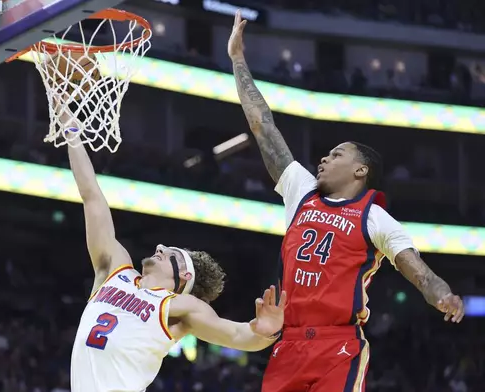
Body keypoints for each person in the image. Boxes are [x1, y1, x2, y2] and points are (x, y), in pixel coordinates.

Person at [227, 10, 465, 392]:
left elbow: (417, 270)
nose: (324, 158)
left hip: (337, 344)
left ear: (361, 171)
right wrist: (238, 59)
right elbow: (262, 124)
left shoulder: (375, 218)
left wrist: (442, 295)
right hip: (286, 342)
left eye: (337, 154)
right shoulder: (301, 190)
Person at [61, 108, 287, 392]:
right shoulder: (115, 271)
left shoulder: (180, 306)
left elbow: (236, 334)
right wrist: (71, 132)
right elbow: (92, 196)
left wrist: (266, 332)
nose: (159, 247)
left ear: (183, 278)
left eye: (171, 253)